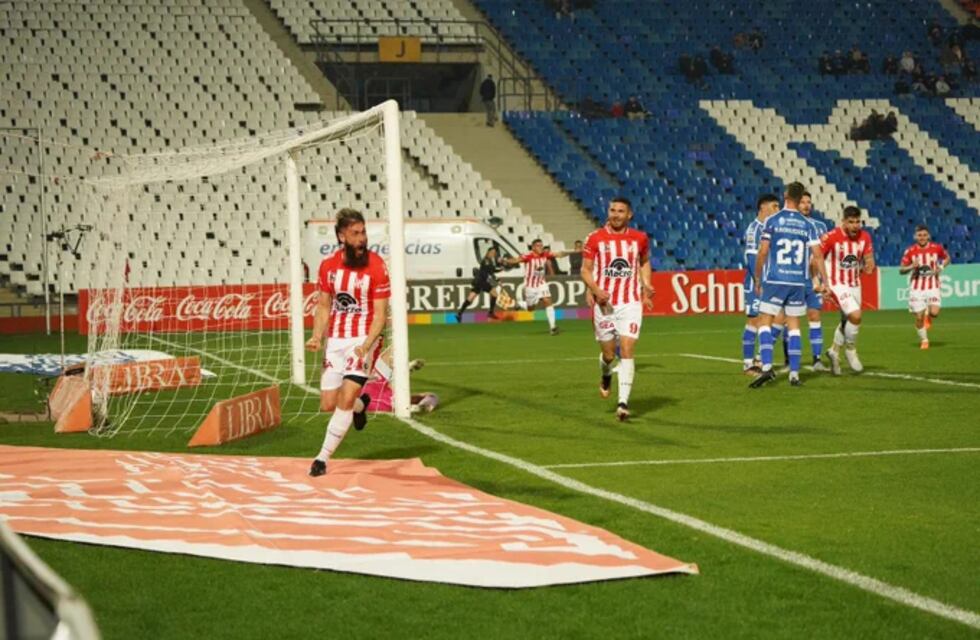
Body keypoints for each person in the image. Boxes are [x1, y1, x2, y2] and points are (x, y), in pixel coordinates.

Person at [307, 208, 390, 477]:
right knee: (328, 404)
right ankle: (361, 405)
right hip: (337, 341)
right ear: (342, 236)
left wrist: (366, 345)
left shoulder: (377, 266)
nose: (362, 238)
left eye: (363, 232)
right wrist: (317, 335)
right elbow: (323, 305)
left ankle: (321, 459)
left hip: (363, 339)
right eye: (355, 233)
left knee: (344, 397)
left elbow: (380, 314)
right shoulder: (329, 267)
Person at [581, 197, 655, 420]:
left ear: (629, 215)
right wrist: (594, 289)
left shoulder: (639, 238)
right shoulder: (594, 238)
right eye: (612, 210)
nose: (615, 214)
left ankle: (622, 403)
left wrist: (646, 284)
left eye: (620, 211)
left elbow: (644, 262)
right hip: (604, 304)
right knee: (609, 354)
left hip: (630, 302)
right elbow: (585, 270)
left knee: (627, 349)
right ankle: (606, 374)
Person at [749, 183, 829, 388]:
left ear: (785, 195)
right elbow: (818, 255)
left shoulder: (772, 220)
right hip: (797, 281)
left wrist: (758, 278)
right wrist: (826, 281)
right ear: (800, 197)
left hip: (775, 279)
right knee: (793, 325)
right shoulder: (807, 224)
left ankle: (766, 368)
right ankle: (794, 374)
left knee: (765, 321)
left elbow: (763, 252)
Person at [821, 206, 875, 375]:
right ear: (843, 222)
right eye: (851, 222)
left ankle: (834, 350)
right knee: (855, 315)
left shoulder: (865, 237)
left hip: (855, 284)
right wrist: (820, 283)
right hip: (837, 283)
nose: (855, 225)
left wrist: (869, 265)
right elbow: (816, 259)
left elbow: (869, 258)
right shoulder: (831, 237)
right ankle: (850, 350)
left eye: (858, 222)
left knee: (847, 320)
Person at [741, 193, 780, 375]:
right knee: (754, 320)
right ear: (763, 207)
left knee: (779, 318)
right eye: (775, 206)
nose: (777, 210)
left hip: (770, 281)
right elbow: (751, 257)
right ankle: (748, 364)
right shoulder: (754, 228)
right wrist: (758, 280)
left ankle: (760, 357)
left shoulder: (771, 228)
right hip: (755, 282)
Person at [501, 239, 574, 335]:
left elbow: (559, 254)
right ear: (533, 247)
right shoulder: (528, 256)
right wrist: (505, 260)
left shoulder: (545, 254)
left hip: (541, 283)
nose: (541, 247)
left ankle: (553, 327)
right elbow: (516, 260)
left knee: (547, 301)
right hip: (531, 286)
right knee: (530, 308)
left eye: (541, 245)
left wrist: (572, 251)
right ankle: (518, 304)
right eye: (538, 246)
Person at [899, 225, 950, 349]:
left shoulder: (936, 248)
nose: (922, 238)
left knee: (934, 312)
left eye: (924, 235)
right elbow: (901, 270)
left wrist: (940, 268)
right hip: (917, 288)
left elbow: (947, 258)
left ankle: (929, 317)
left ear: (929, 236)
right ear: (915, 236)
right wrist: (911, 266)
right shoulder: (910, 251)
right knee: (919, 317)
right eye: (919, 235)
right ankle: (924, 340)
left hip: (933, 285)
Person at [799, 191, 829, 371]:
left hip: (812, 281)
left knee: (815, 316)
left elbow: (822, 255)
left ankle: (817, 359)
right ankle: (789, 361)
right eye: (802, 202)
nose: (806, 205)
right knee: (789, 320)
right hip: (793, 279)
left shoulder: (820, 226)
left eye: (809, 202)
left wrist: (820, 279)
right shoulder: (790, 224)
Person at [456, 246, 504, 321]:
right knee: (494, 293)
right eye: (492, 252)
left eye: (494, 253)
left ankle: (459, 313)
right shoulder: (486, 260)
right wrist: (498, 280)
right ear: (488, 252)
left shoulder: (488, 260)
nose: (494, 254)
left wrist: (501, 269)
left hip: (478, 281)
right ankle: (491, 313)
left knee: (471, 297)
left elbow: (492, 270)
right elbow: (490, 272)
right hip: (482, 281)